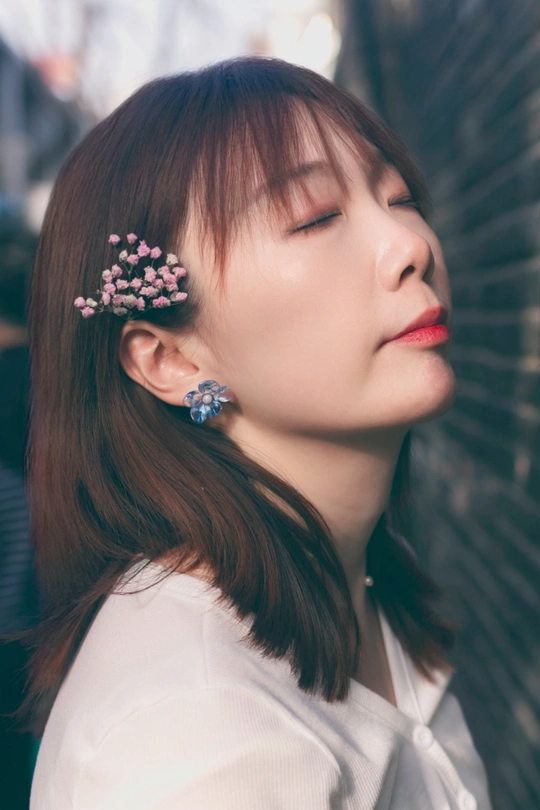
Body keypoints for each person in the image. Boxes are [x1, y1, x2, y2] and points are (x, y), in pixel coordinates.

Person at [8, 56, 492, 808]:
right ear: (171, 360)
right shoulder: (197, 742)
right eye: (315, 217)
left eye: (399, 196)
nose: (412, 247)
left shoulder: (360, 575)